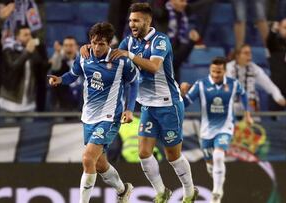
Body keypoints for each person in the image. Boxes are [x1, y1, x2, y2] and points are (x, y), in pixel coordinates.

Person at [80, 3, 198, 203]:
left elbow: (153, 66)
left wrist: (130, 55)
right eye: (130, 21)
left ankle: (189, 191)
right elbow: (112, 56)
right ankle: (162, 192)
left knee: (172, 155)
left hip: (168, 104)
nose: (132, 24)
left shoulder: (160, 41)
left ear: (148, 21)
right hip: (147, 106)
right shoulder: (128, 42)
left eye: (136, 21)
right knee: (144, 153)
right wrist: (90, 48)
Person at [48, 22, 138, 203]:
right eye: (94, 43)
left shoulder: (121, 61)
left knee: (88, 158)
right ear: (90, 41)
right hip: (88, 117)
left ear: (110, 44)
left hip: (110, 117)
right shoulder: (84, 56)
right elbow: (73, 75)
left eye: (102, 44)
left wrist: (129, 108)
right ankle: (123, 189)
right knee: (99, 163)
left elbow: (134, 82)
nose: (97, 47)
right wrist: (60, 79)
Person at [180, 57, 253, 203]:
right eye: (213, 71)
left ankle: (216, 194)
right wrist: (182, 93)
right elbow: (186, 103)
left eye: (219, 72)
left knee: (219, 156)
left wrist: (247, 113)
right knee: (210, 165)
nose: (215, 74)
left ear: (224, 71)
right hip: (206, 131)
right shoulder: (201, 84)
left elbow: (243, 94)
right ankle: (214, 173)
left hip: (225, 128)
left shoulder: (233, 84)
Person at [150, 0, 204, 81]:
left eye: (186, 1)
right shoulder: (161, 15)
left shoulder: (185, 16)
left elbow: (179, 59)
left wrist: (191, 42)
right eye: (181, 1)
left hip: (174, 68)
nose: (185, 4)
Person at [226, 44, 286, 111]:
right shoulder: (227, 68)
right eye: (246, 53)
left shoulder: (254, 68)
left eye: (250, 53)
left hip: (250, 105)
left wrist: (278, 97)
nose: (249, 55)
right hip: (232, 106)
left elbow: (269, 85)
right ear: (237, 56)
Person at [0, 25, 45, 113]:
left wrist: (34, 51)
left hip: (28, 104)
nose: (29, 37)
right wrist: (27, 52)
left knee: (29, 127)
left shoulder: (33, 51)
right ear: (17, 37)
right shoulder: (8, 50)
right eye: (25, 35)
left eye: (30, 35)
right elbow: (13, 67)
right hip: (10, 103)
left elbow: (40, 68)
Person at [49, 36, 82, 111]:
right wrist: (57, 54)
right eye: (66, 45)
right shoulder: (58, 60)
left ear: (76, 47)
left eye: (71, 45)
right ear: (63, 47)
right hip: (62, 104)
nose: (68, 48)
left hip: (81, 102)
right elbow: (55, 68)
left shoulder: (83, 61)